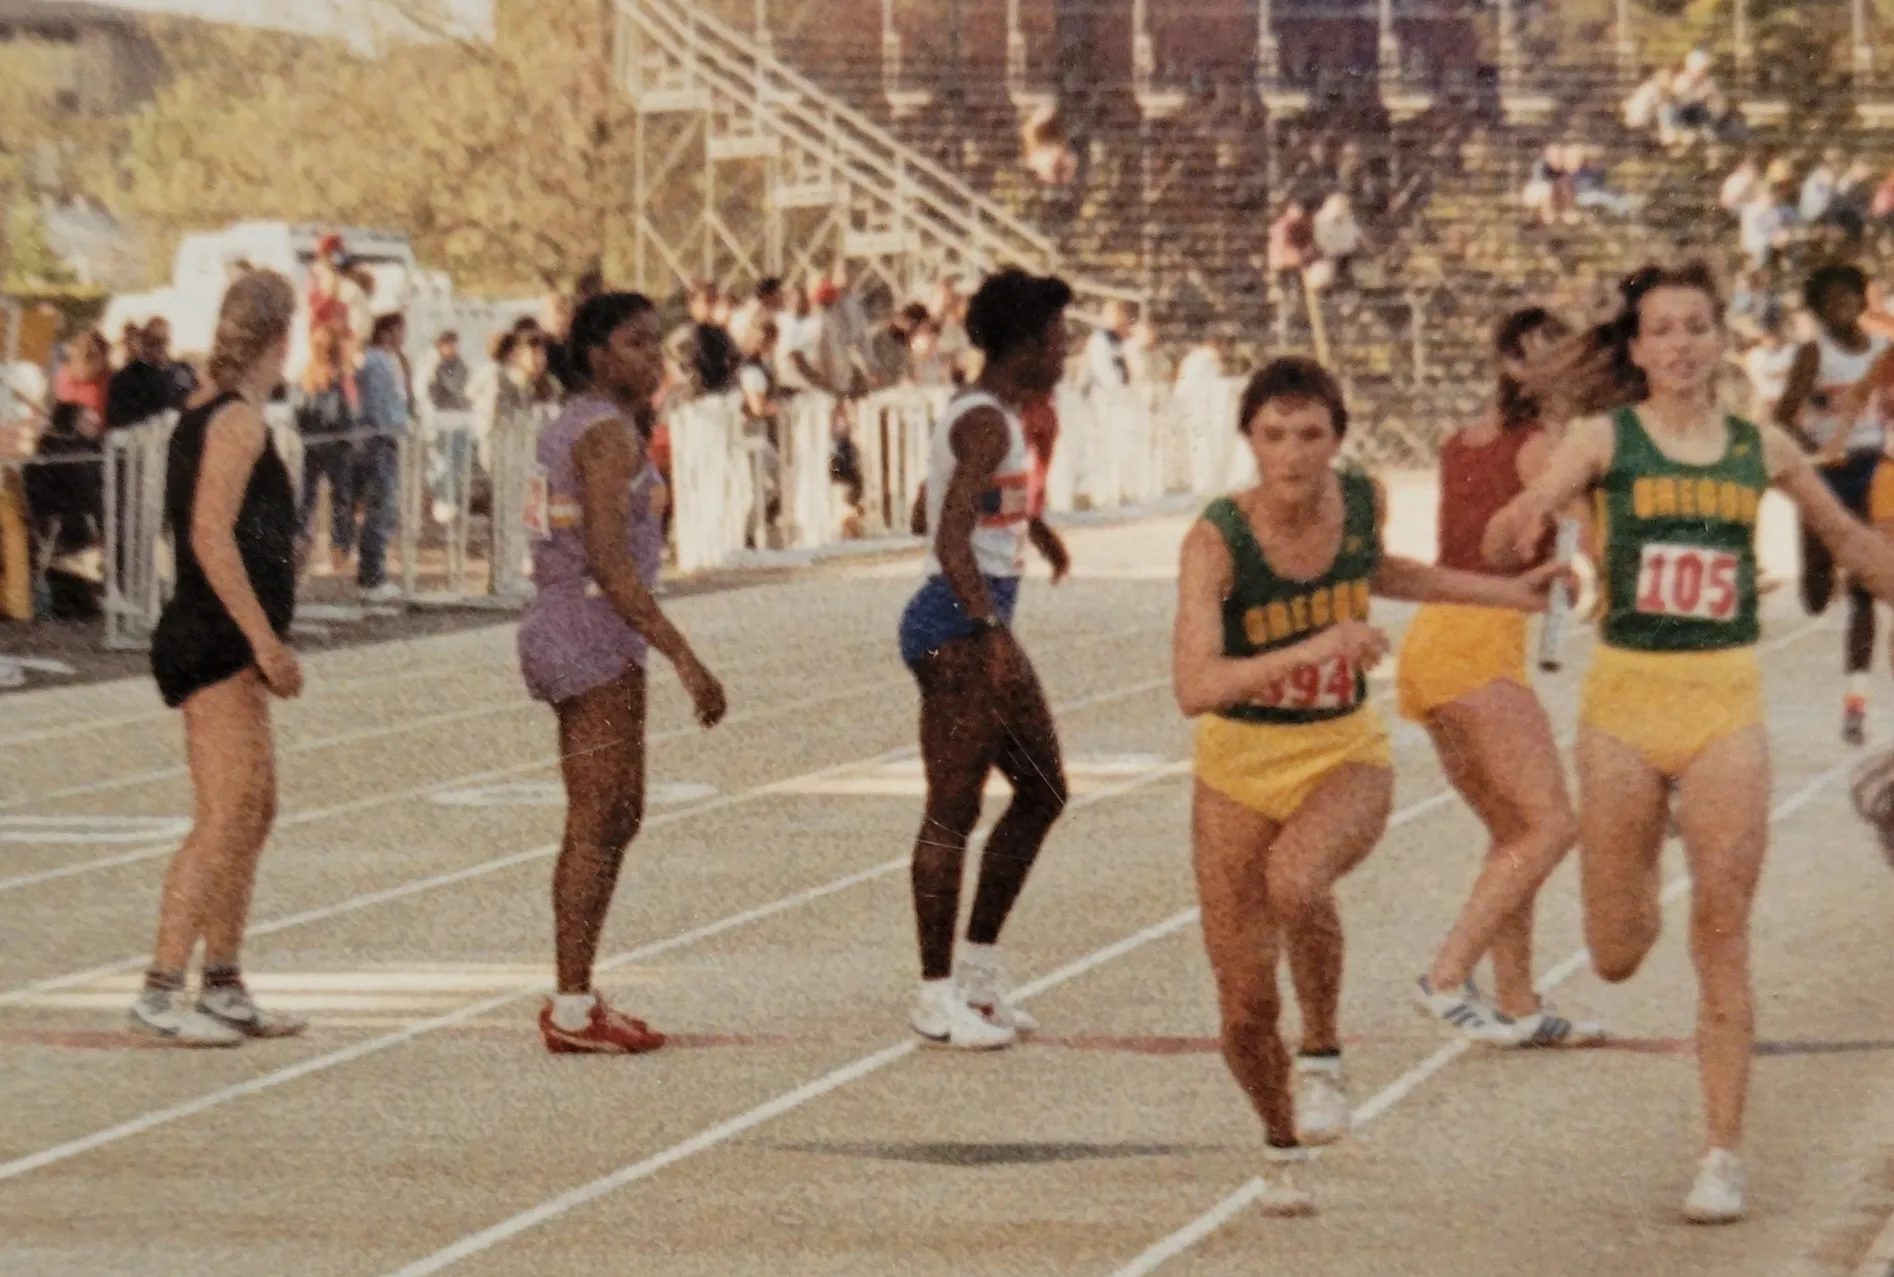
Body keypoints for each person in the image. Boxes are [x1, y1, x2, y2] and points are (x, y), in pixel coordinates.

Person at [1488, 261, 1894, 1224]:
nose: (1678, 345)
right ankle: (1639, 851)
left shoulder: (1762, 446)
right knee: (1619, 949)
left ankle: (1721, 1153)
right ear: (1636, 350)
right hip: (1625, 707)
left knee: (1723, 931)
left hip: (1723, 708)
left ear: (1719, 342)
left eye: (1696, 328)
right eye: (1661, 330)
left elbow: (1849, 541)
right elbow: (1517, 524)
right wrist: (1520, 522)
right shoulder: (1602, 437)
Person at [1172, 356, 1568, 1213]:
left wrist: (1508, 594)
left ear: (1338, 438)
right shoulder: (1216, 539)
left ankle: (1321, 1052)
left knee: (1299, 879)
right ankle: (1281, 1146)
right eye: (1274, 434)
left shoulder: (1360, 499)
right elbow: (1195, 685)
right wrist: (1312, 648)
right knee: (1242, 1008)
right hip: (1237, 770)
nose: (1293, 452)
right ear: (1249, 439)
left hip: (1340, 751)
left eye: (1311, 433)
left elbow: (1384, 575)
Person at [519, 292, 727, 1054]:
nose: (653, 357)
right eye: (636, 342)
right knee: (599, 818)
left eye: (657, 344)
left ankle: (578, 994)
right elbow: (608, 560)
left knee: (613, 814)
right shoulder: (606, 434)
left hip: (569, 618)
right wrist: (684, 656)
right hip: (589, 625)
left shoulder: (576, 421)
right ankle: (571, 1004)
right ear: (598, 353)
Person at [1395, 307, 1605, 1046]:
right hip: (1477, 643)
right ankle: (1447, 972)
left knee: (1514, 829)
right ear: (1522, 363)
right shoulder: (1544, 444)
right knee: (1551, 824)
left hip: (1436, 640)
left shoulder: (1462, 439)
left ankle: (1519, 1002)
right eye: (1552, 357)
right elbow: (1590, 537)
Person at [899, 268, 1074, 1051]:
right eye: (1059, 337)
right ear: (1028, 343)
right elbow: (941, 537)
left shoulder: (993, 415)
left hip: (978, 617)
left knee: (1041, 790)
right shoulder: (986, 422)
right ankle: (935, 992)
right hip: (954, 625)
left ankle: (976, 971)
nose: (1066, 350)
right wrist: (990, 632)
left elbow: (930, 506)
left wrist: (1033, 532)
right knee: (955, 805)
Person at [133, 270, 306, 1047]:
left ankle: (225, 981)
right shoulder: (235, 423)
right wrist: (264, 640)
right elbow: (209, 536)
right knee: (225, 814)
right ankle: (160, 987)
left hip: (224, 632)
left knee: (254, 810)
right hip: (214, 636)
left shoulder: (212, 411)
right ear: (279, 336)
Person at [1772, 263, 1888, 744]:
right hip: (1825, 472)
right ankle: (1813, 548)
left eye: (1849, 298)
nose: (1841, 308)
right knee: (1816, 598)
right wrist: (1811, 452)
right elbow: (1781, 416)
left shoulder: (1883, 351)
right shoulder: (1813, 354)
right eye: (1830, 301)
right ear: (1819, 310)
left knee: (1865, 584)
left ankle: (1855, 704)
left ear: (1863, 301)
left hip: (1869, 469)